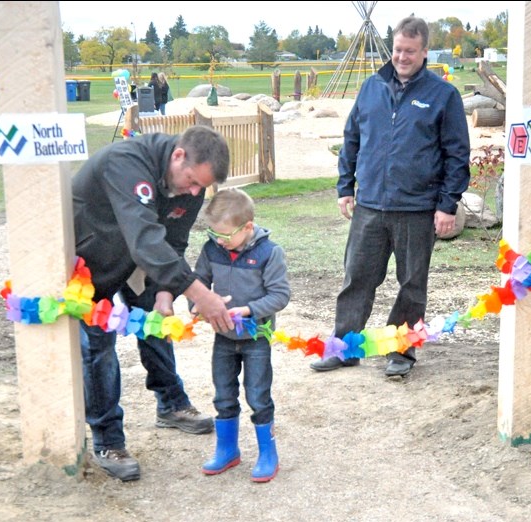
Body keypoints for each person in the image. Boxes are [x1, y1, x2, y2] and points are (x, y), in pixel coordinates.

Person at [309, 16, 471, 378]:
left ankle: (401, 351)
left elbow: (457, 154)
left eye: (410, 51)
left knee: (412, 285)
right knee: (356, 279)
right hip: (369, 206)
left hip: (416, 208)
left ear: (425, 52)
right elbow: (352, 139)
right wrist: (344, 187)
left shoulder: (443, 95)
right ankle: (344, 348)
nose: (402, 57)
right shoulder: (371, 88)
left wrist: (448, 205)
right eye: (398, 49)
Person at [73, 126, 235, 481]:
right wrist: (199, 293)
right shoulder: (126, 162)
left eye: (201, 187)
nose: (193, 193)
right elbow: (145, 237)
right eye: (192, 181)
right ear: (178, 156)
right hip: (88, 264)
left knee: (156, 322)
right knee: (99, 347)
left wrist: (166, 292)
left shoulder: (191, 183)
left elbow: (173, 242)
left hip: (137, 262)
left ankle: (171, 404)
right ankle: (108, 440)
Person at [192, 189, 291, 483]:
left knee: (258, 395)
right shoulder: (211, 250)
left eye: (225, 234)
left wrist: (247, 310)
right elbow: (197, 281)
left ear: (248, 227)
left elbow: (280, 295)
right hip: (223, 336)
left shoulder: (269, 253)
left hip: (255, 338)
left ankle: (267, 453)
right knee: (223, 393)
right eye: (213, 232)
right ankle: (227, 449)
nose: (219, 240)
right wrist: (197, 304)